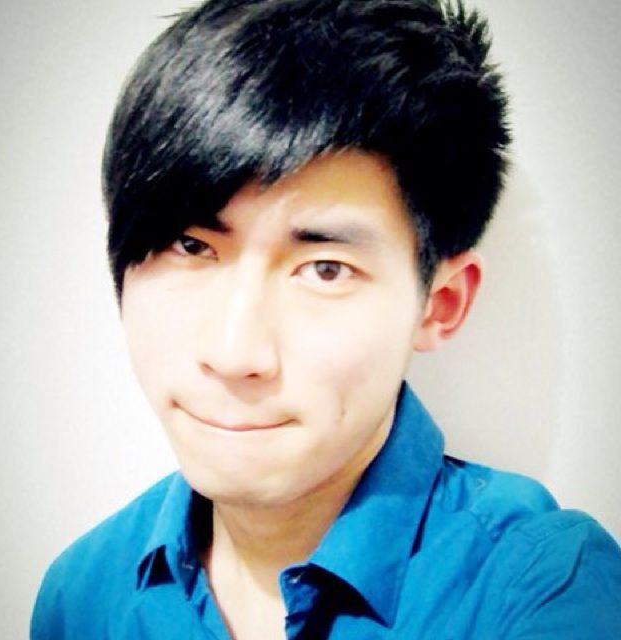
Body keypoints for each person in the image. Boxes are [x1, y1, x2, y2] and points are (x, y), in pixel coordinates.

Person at [31, 0, 621, 638]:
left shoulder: (539, 589)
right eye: (191, 246)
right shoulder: (82, 593)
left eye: (325, 269)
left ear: (441, 303)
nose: (234, 354)